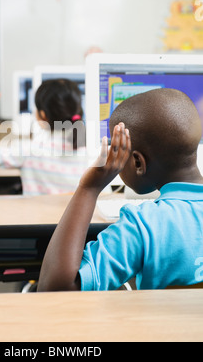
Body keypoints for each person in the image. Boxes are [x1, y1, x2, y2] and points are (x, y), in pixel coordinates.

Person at [37, 88, 203, 292]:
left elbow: (56, 289)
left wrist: (88, 188)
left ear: (137, 162)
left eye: (118, 150)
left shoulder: (144, 225)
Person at [0, 78, 88, 196]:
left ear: (42, 115)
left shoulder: (29, 150)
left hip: (36, 215)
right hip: (79, 216)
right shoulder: (92, 152)